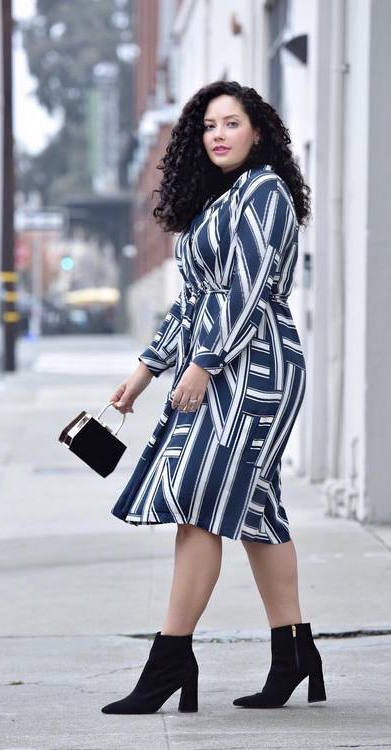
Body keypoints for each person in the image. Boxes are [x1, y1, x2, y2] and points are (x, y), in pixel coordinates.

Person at [101, 80, 326, 714]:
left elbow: (248, 289)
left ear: (259, 131)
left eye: (231, 123)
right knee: (255, 509)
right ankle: (295, 653)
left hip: (257, 368)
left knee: (200, 501)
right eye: (208, 126)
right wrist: (145, 372)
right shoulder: (217, 202)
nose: (218, 135)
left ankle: (171, 659)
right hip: (217, 366)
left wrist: (203, 362)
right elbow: (194, 300)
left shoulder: (265, 192)